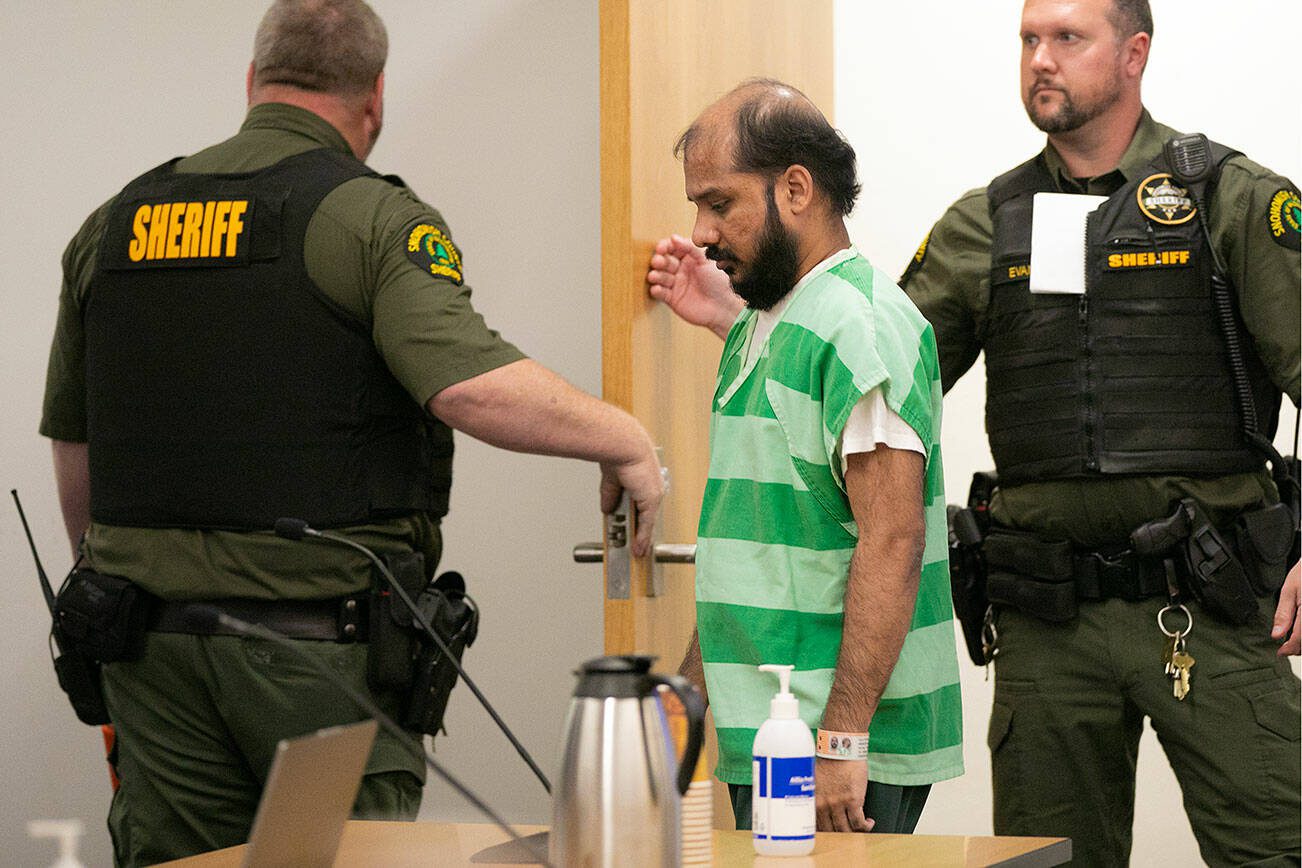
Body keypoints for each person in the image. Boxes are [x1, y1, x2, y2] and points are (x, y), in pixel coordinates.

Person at [650, 2, 1301, 864]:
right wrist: (739, 314)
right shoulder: (984, 224)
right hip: (1048, 619)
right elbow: (869, 368)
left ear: (1136, 52)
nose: (1041, 59)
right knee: (1051, 859)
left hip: (1209, 607)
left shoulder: (1233, 198)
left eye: (1069, 38)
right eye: (1029, 39)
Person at [39, 1, 662, 864]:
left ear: (254, 82)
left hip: (151, 656)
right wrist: (622, 437)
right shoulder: (367, 220)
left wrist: (113, 595)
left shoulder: (112, 227)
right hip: (315, 665)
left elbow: (76, 450)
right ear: (375, 96)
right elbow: (468, 385)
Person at [652, 79, 963, 837]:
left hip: (829, 743)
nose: (701, 230)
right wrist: (688, 700)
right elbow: (750, 546)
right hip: (766, 734)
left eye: (720, 203)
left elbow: (893, 540)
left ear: (796, 189)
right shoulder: (762, 328)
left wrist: (842, 740)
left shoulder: (858, 325)